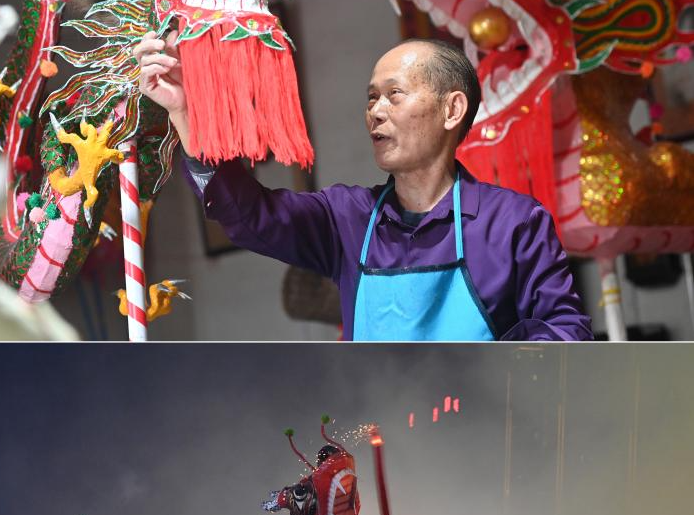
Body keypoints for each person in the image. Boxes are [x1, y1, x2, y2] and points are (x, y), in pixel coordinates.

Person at [134, 34, 593, 342]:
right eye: (371, 98)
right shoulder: (347, 218)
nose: (375, 111)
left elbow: (566, 332)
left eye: (394, 95)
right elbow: (249, 217)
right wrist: (186, 114)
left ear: (453, 110)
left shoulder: (514, 223)